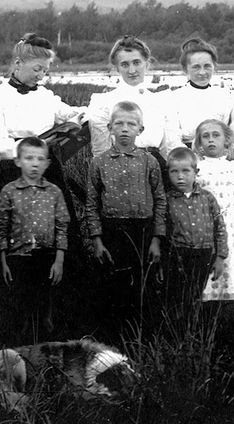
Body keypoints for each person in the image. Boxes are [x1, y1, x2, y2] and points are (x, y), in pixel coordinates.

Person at [0, 33, 84, 228]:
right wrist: (38, 146)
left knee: (58, 224)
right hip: (11, 168)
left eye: (45, 71)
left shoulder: (45, 95)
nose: (40, 76)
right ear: (18, 63)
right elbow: (0, 145)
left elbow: (70, 113)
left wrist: (77, 119)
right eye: (37, 69)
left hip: (47, 167)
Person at [85, 101, 166, 328]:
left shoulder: (149, 161)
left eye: (131, 124)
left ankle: (142, 336)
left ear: (140, 129)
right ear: (110, 127)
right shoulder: (99, 163)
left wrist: (157, 239)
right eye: (119, 123)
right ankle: (114, 336)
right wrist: (97, 241)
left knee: (143, 287)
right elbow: (91, 203)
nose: (124, 129)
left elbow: (160, 200)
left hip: (143, 231)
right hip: (112, 232)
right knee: (113, 287)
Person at [0, 137, 70, 345]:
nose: (35, 164)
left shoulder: (54, 192)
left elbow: (62, 226)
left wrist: (59, 261)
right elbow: (1, 227)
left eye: (40, 159)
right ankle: (20, 356)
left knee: (45, 311)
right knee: (21, 312)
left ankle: (46, 357)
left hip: (46, 258)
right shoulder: (9, 191)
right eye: (29, 158)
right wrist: (3, 260)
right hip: (18, 259)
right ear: (18, 161)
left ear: (47, 163)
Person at [87, 35, 182, 163]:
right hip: (120, 166)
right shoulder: (103, 102)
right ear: (117, 68)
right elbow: (101, 150)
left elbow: (170, 147)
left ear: (147, 64)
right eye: (125, 65)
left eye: (137, 63)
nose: (132, 70)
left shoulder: (162, 101)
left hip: (157, 166)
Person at [193, 120, 234, 302]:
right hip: (206, 225)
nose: (211, 140)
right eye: (206, 136)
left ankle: (233, 311)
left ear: (226, 140)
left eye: (216, 135)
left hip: (231, 226)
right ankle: (209, 315)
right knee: (209, 272)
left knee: (232, 268)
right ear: (199, 143)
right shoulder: (197, 169)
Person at [165, 147, 227, 315]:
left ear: (195, 172)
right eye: (174, 171)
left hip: (204, 252)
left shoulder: (207, 197)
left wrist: (220, 256)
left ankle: (194, 329)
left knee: (196, 293)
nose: (180, 176)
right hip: (178, 253)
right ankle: (177, 330)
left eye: (186, 171)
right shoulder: (167, 200)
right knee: (178, 295)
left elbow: (219, 226)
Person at [163, 38, 231, 148]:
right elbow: (172, 139)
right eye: (196, 67)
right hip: (186, 154)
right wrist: (190, 157)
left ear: (214, 66)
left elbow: (227, 132)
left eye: (207, 66)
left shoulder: (224, 97)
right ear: (185, 69)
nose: (202, 72)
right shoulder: (174, 98)